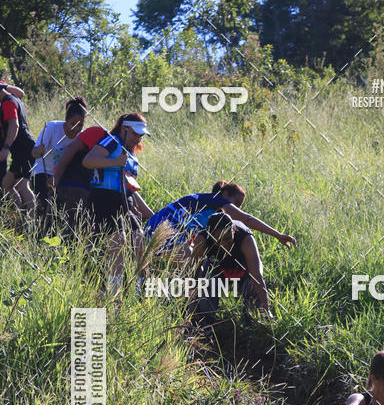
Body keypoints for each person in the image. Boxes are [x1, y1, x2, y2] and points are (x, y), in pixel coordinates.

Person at [82, 112, 152, 294]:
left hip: (124, 202)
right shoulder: (112, 141)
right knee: (118, 243)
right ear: (124, 129)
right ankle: (115, 297)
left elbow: (128, 184)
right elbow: (88, 161)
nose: (138, 137)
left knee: (139, 241)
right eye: (135, 133)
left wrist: (140, 210)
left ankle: (139, 293)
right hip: (103, 198)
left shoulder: (132, 153)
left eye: (141, 134)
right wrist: (114, 161)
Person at [145, 180, 296, 263]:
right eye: (235, 204)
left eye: (240, 206)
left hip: (153, 226)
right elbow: (246, 219)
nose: (236, 209)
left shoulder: (209, 212)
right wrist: (277, 234)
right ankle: (188, 310)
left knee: (196, 262)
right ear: (225, 194)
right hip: (164, 230)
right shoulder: (217, 200)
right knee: (192, 266)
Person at [186, 211, 272, 332]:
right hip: (219, 270)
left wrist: (267, 311)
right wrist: (191, 310)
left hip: (244, 271)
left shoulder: (246, 239)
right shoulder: (202, 240)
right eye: (218, 241)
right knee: (207, 287)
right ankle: (205, 327)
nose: (224, 245)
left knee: (252, 288)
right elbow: (194, 277)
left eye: (227, 239)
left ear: (234, 230)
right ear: (210, 236)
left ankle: (254, 327)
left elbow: (257, 277)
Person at [30, 96, 88, 229]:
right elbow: (34, 153)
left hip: (62, 177)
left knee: (58, 213)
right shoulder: (52, 127)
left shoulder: (81, 136)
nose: (76, 128)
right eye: (73, 123)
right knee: (44, 209)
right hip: (43, 172)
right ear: (66, 120)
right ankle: (38, 235)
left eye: (80, 125)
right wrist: (39, 151)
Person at [0, 83, 35, 214]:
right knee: (7, 184)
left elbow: (14, 125)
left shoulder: (7, 102)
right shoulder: (15, 98)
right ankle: (21, 216)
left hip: (23, 148)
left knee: (22, 185)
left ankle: (32, 221)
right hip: (24, 148)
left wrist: (5, 147)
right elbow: (21, 92)